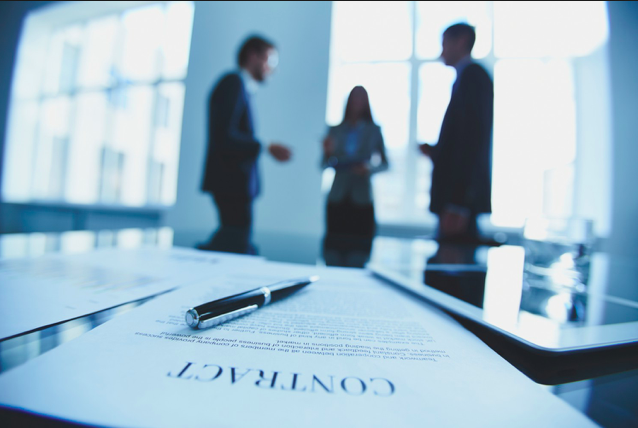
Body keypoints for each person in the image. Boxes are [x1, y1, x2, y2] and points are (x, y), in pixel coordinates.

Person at [201, 35, 292, 230]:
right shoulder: (233, 83)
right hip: (230, 185)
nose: (272, 69)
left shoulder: (241, 86)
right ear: (253, 56)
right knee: (235, 240)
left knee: (234, 238)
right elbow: (225, 136)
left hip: (233, 186)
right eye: (270, 61)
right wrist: (265, 147)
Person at [418, 23, 493, 242]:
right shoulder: (466, 78)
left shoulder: (473, 77)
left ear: (461, 42)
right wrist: (437, 151)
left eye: (445, 44)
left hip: (459, 200)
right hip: (458, 197)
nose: (441, 52)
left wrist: (458, 203)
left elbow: (473, 140)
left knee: (455, 256)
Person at [321, 86, 389, 236]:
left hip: (362, 197)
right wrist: (327, 152)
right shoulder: (335, 130)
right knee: (334, 243)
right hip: (338, 196)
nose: (357, 101)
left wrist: (369, 169)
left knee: (361, 243)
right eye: (354, 98)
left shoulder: (374, 130)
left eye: (361, 98)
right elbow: (323, 165)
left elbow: (386, 164)